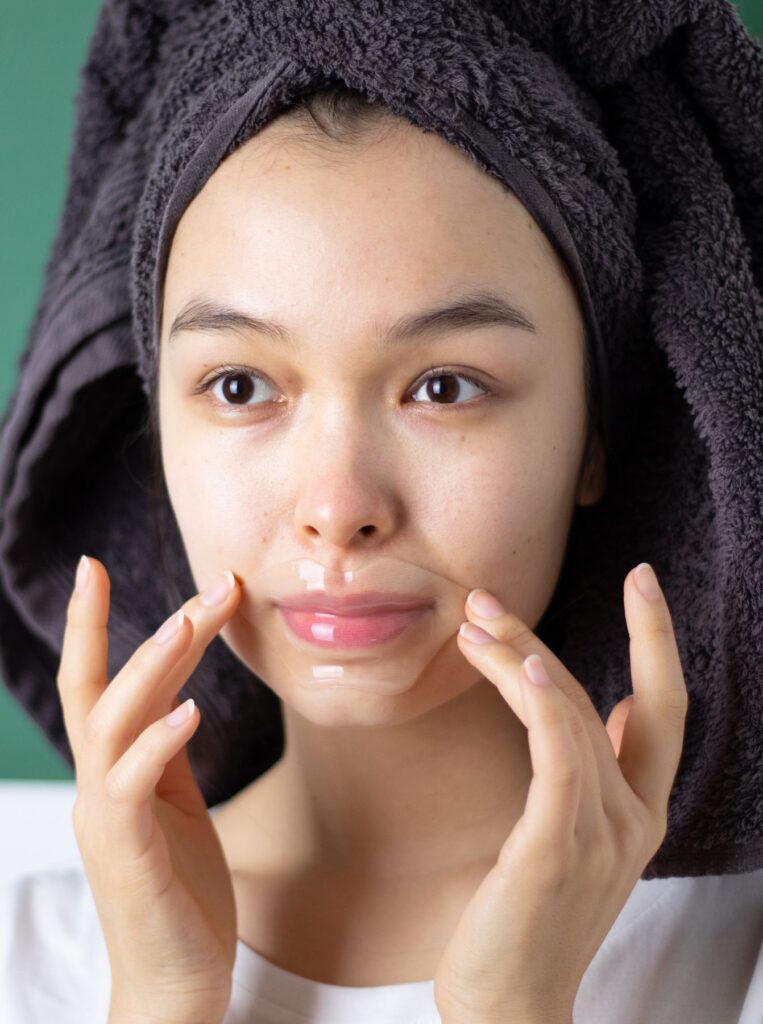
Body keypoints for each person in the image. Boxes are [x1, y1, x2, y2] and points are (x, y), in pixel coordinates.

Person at [1, 4, 762, 1024]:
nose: (337, 509)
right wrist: (161, 1000)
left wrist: (517, 1005)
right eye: (237, 387)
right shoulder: (28, 956)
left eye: (444, 386)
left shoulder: (740, 949)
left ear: (593, 435)